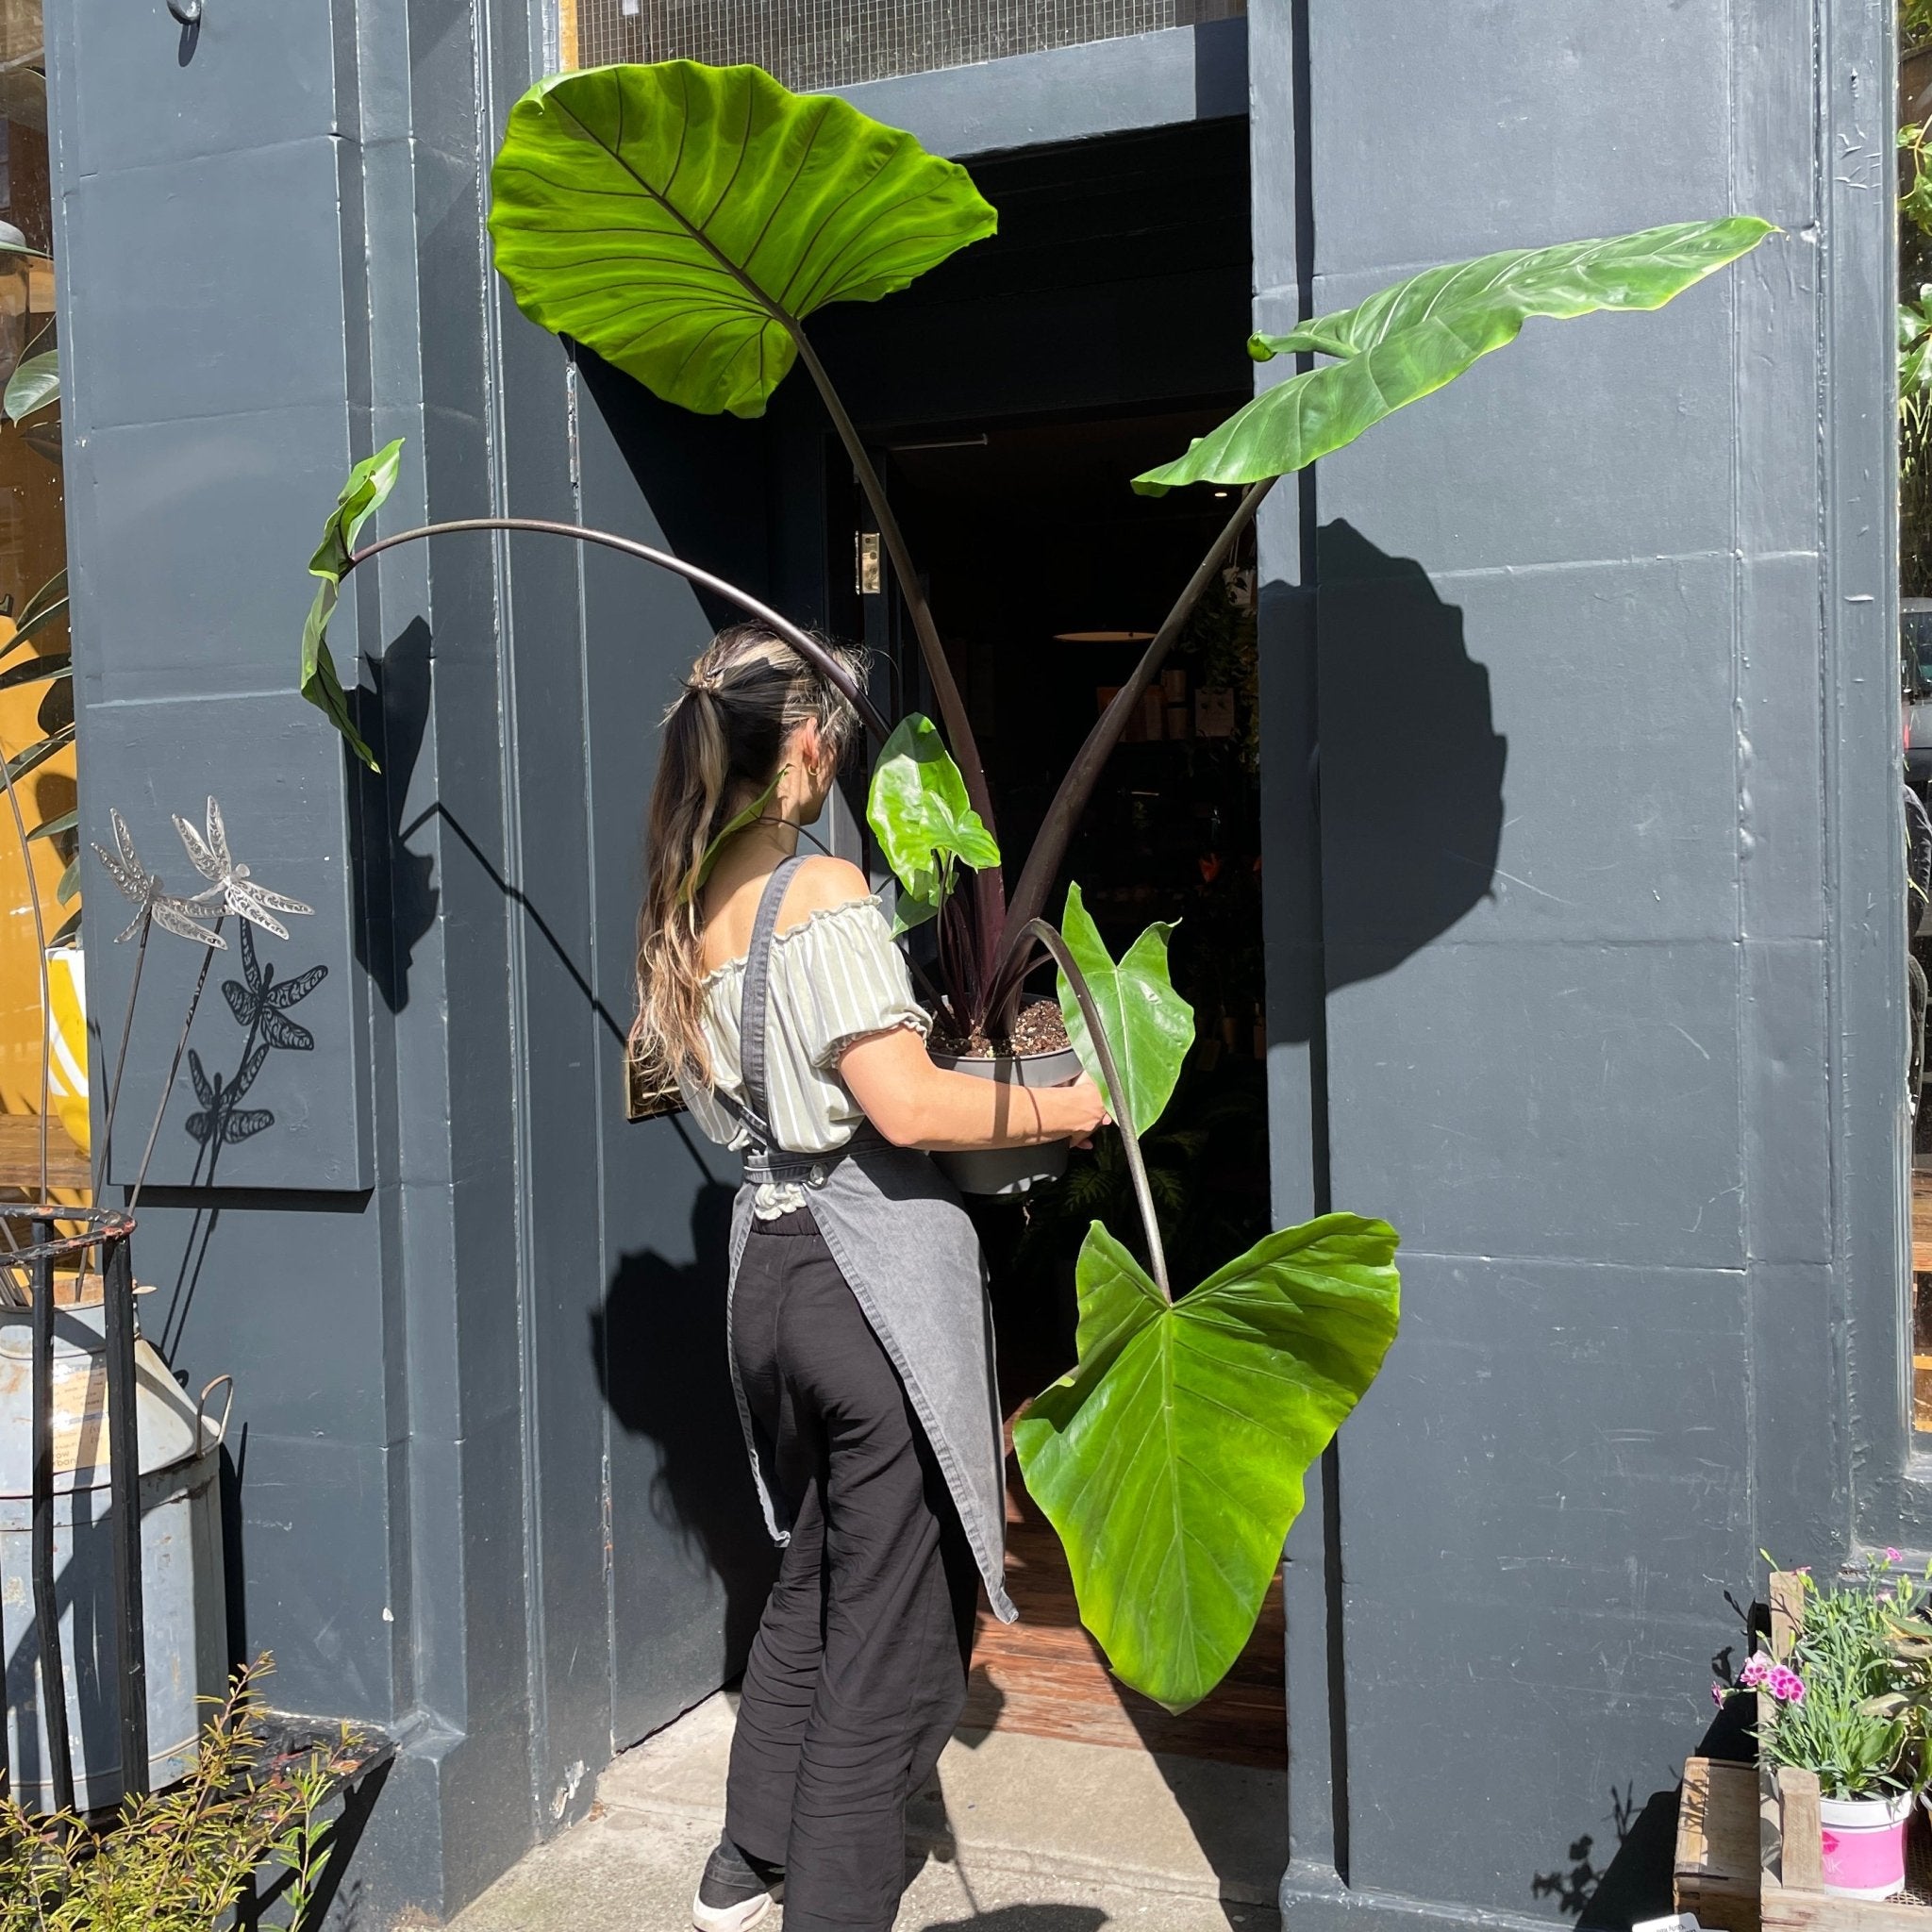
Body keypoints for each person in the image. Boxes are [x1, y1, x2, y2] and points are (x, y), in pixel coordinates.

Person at [632, 624, 1109, 1932]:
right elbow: (903, 1107)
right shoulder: (821, 890)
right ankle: (834, 1905)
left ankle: (744, 1862)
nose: (838, 765)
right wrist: (1065, 1110)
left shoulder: (688, 902)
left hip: (768, 1278)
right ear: (800, 746)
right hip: (862, 1283)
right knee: (889, 1629)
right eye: (833, 743)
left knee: (818, 1571)